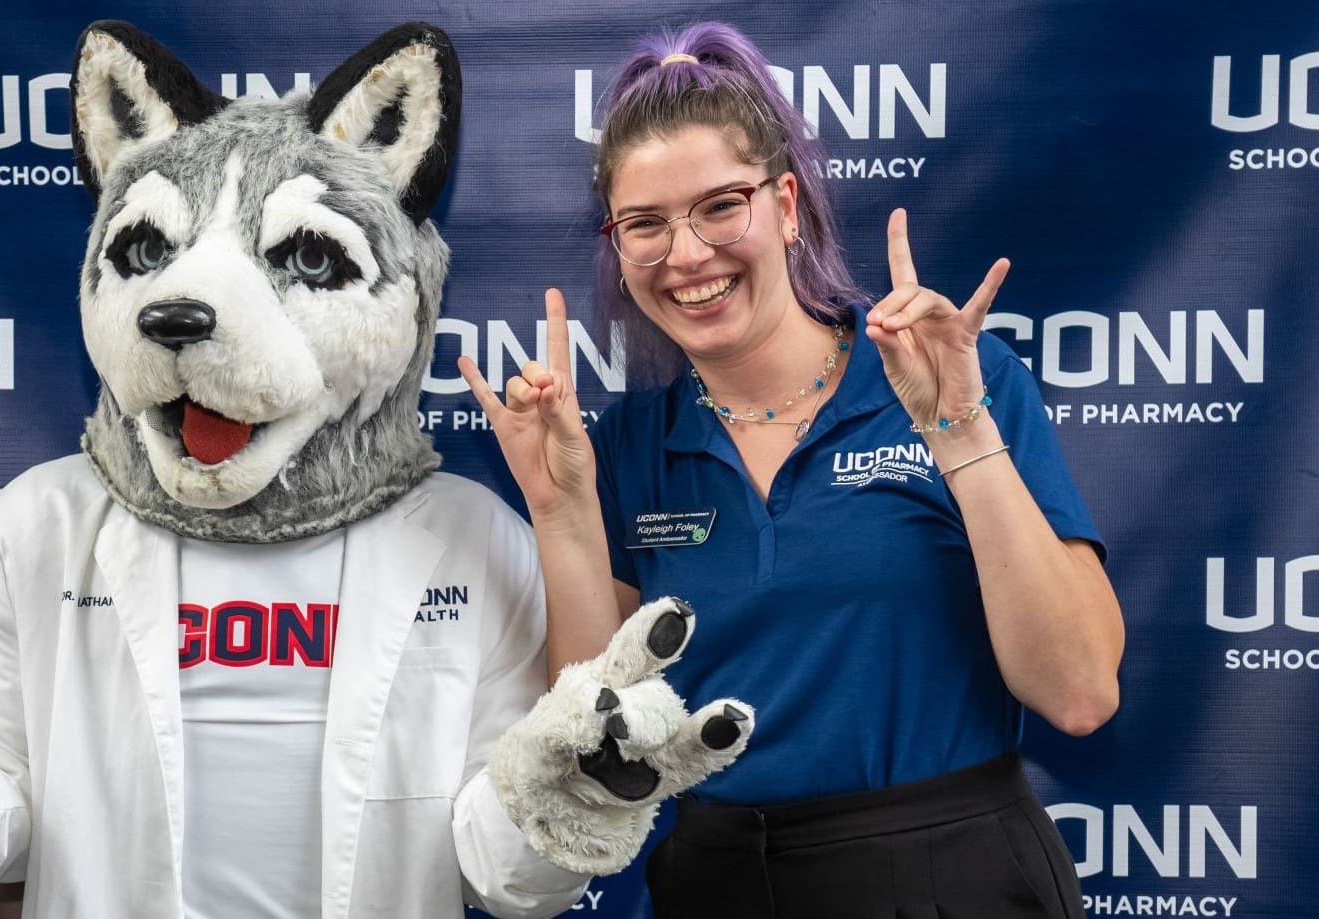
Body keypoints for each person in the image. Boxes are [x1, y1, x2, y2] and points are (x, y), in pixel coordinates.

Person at [458, 23, 1123, 918]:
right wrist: (562, 508)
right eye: (644, 225)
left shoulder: (958, 379)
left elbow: (1079, 691)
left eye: (720, 206)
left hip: (951, 877)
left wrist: (959, 432)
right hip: (717, 881)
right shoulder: (624, 447)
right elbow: (596, 744)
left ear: (785, 203)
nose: (687, 254)